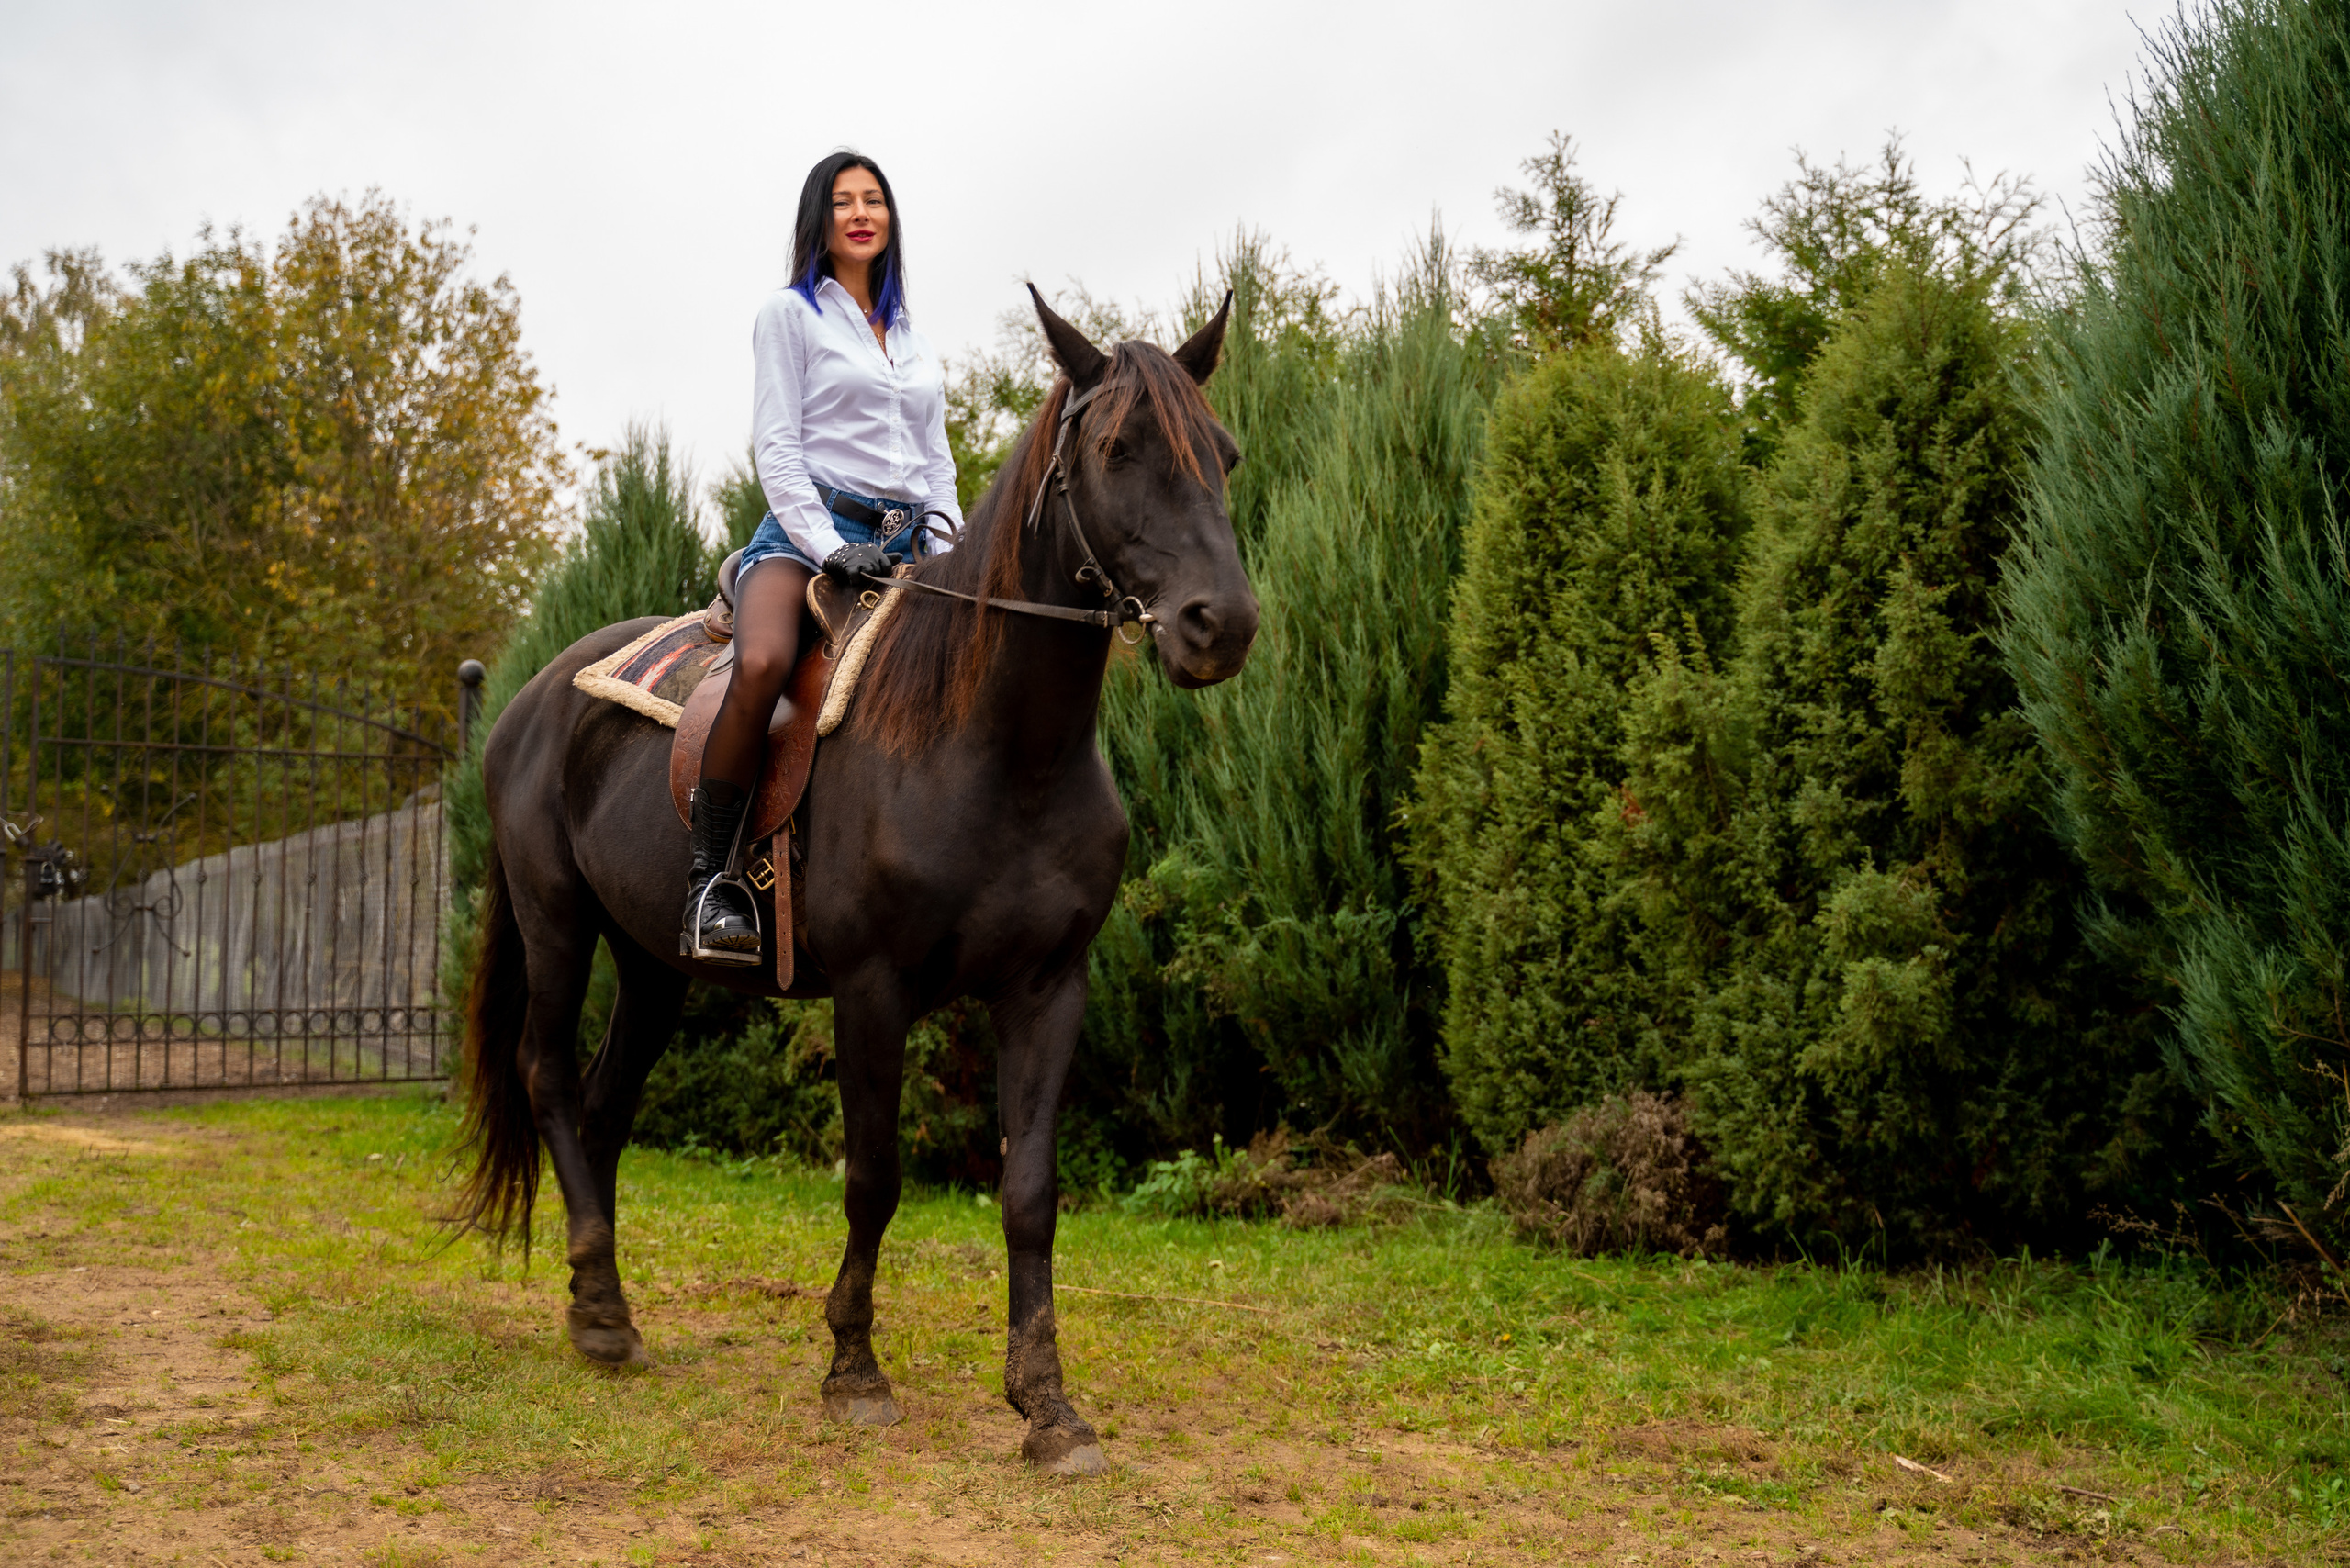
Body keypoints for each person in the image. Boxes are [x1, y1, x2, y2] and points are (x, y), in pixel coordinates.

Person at [683, 149, 962, 962]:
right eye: (844, 201)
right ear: (820, 219)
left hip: (908, 547)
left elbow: (936, 460)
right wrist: (832, 548)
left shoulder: (911, 336)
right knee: (765, 663)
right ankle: (712, 883)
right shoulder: (789, 315)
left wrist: (946, 544)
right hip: (809, 540)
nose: (861, 213)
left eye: (874, 200)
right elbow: (777, 446)